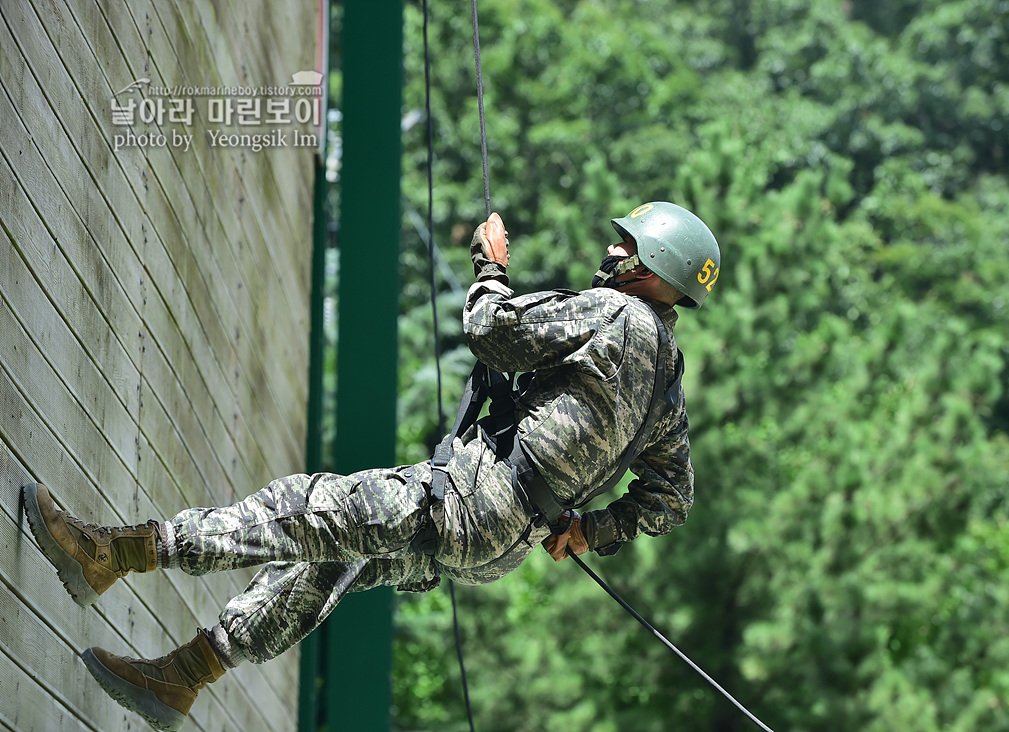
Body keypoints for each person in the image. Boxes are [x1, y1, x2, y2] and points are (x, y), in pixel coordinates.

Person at [22, 201, 720, 732]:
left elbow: (492, 332)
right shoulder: (667, 387)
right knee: (333, 560)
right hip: (501, 547)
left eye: (624, 243)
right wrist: (590, 531)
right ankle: (182, 677)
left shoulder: (614, 314)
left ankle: (110, 554)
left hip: (470, 502)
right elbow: (671, 498)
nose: (610, 248)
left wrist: (490, 266)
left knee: (298, 512)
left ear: (651, 266)